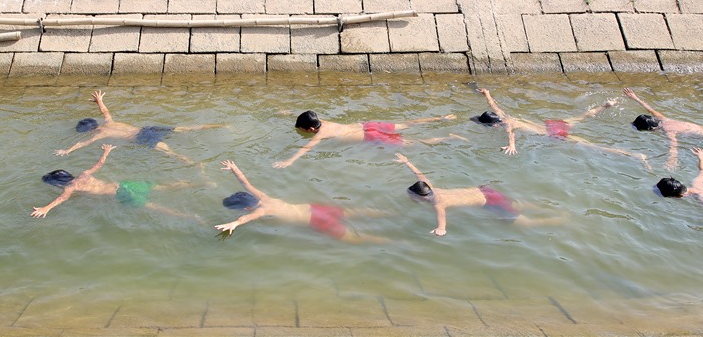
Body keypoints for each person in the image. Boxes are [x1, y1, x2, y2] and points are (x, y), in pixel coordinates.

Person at [214, 160, 387, 243]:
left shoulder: (261, 211)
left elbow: (246, 219)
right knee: (359, 213)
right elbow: (245, 183)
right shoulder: (262, 197)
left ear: (246, 208)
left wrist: (234, 224)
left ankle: (394, 243)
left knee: (358, 239)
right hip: (315, 209)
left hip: (317, 221)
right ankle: (391, 213)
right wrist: (234, 168)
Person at [395, 153, 563, 237]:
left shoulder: (438, 203)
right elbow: (420, 176)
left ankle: (559, 220)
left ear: (423, 197)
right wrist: (407, 162)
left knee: (522, 223)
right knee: (513, 204)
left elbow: (442, 221)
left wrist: (441, 229)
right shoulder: (430, 188)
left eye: (413, 197)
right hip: (485, 190)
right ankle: (544, 207)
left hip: (490, 201)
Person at [475, 88, 646, 165]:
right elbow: (493, 105)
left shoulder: (505, 123)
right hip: (552, 124)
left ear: (494, 124)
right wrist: (487, 93)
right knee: (582, 116)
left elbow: (510, 133)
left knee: (593, 146)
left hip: (553, 134)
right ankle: (606, 105)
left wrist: (512, 145)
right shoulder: (505, 115)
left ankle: (634, 155)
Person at [55, 90, 224, 163]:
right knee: (185, 128)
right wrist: (99, 100)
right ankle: (220, 125)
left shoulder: (100, 134)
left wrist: (67, 151)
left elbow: (83, 144)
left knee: (171, 153)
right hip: (146, 129)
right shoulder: (108, 122)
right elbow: (105, 110)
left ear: (89, 130)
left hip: (141, 137)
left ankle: (194, 163)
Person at [32, 144, 198, 218]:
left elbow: (62, 199)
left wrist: (46, 208)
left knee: (155, 207)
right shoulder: (83, 175)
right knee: (162, 187)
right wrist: (106, 151)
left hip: (121, 194)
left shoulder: (71, 187)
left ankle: (189, 216)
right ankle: (199, 184)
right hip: (123, 184)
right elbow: (99, 164)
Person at [273, 110, 462, 168]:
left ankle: (448, 138)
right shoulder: (322, 122)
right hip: (368, 125)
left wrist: (288, 161)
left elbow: (305, 149)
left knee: (413, 143)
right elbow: (307, 116)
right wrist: (287, 113)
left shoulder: (320, 134)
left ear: (312, 129)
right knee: (408, 123)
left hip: (370, 135)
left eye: (304, 131)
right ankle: (441, 118)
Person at [623, 87, 703, 170]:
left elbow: (674, 146)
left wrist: (672, 160)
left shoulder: (668, 130)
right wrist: (635, 97)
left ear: (650, 129)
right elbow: (650, 109)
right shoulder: (664, 120)